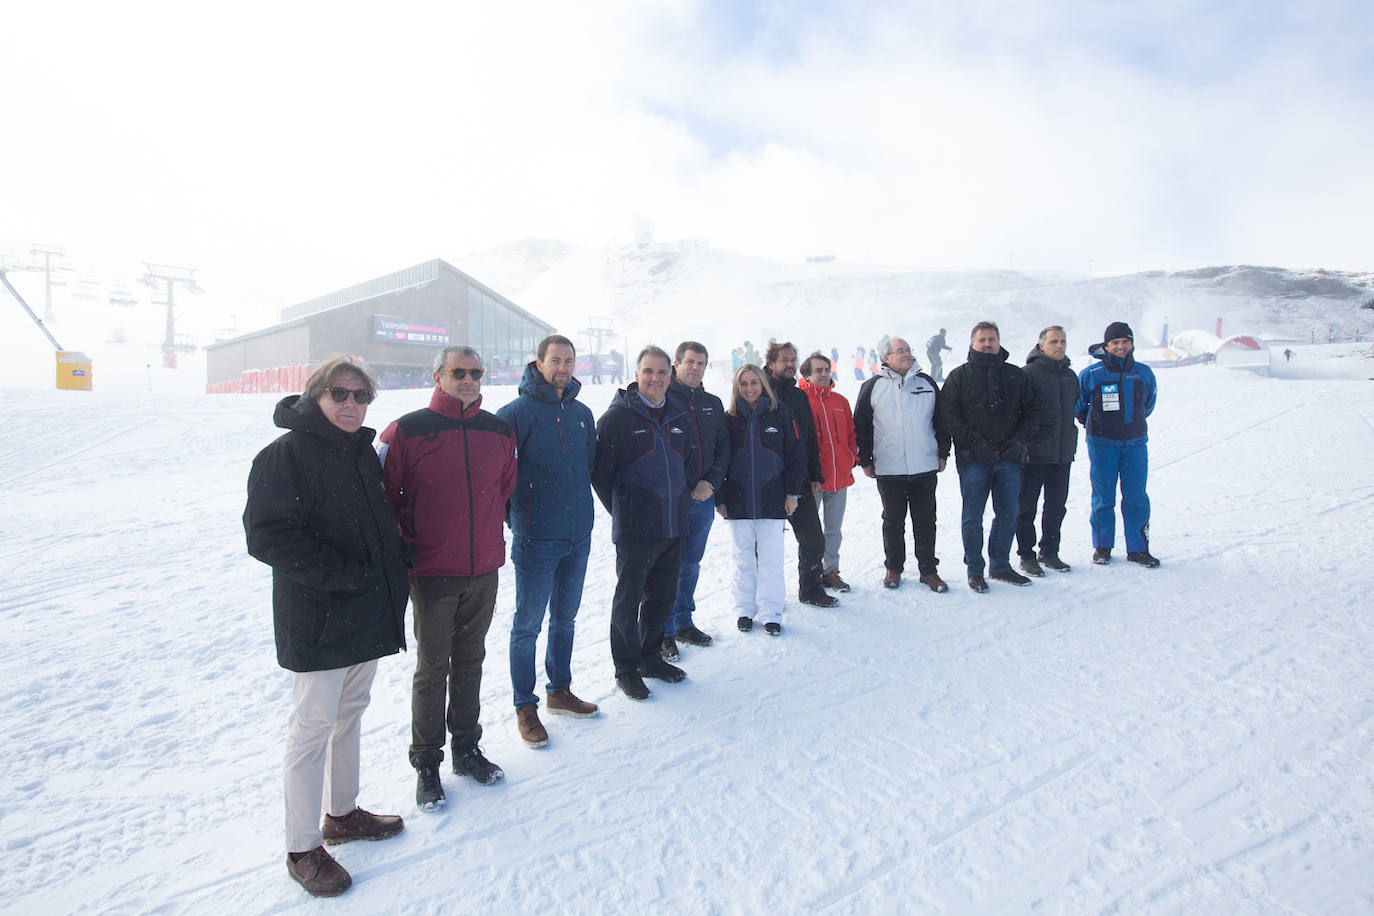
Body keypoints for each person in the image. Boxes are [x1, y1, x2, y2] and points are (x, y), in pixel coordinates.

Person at [244, 357, 408, 898]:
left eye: (361, 396)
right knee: (312, 728)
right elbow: (268, 536)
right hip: (318, 617)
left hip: (363, 611)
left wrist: (389, 574)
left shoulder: (360, 452)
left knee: (350, 716)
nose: (350, 404)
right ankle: (301, 845)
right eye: (339, 393)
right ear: (316, 395)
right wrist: (343, 577)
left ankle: (342, 814)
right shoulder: (285, 456)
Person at [380, 346, 516, 810]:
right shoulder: (407, 430)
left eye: (476, 372)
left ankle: (466, 748)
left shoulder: (497, 430)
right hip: (433, 572)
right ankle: (426, 762)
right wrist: (411, 545)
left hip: (484, 568)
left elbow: (503, 489)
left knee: (472, 659)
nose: (469, 379)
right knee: (433, 667)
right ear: (437, 376)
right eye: (458, 372)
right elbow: (387, 496)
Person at [497, 335, 601, 750]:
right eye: (555, 361)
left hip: (578, 535)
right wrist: (520, 519)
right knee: (527, 625)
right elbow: (500, 477)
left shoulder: (581, 413)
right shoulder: (515, 414)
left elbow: (589, 465)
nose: (563, 368)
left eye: (569, 361)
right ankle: (526, 705)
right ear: (538, 364)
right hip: (537, 538)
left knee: (566, 619)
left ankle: (560, 689)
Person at [592, 346, 697, 701]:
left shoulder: (679, 414)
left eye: (662, 372)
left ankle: (650, 657)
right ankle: (626, 667)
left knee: (662, 596)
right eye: (648, 371)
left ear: (671, 374)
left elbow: (688, 465)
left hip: (673, 524)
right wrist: (626, 510)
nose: (656, 379)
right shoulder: (616, 419)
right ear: (636, 374)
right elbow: (601, 476)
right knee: (629, 599)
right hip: (636, 529)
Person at [938, 321, 1036, 592]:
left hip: (1009, 458)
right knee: (972, 516)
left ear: (999, 342)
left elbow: (1032, 413)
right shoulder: (959, 377)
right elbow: (948, 416)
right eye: (982, 340)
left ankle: (1000, 565)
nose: (987, 344)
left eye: (992, 339)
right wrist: (973, 442)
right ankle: (975, 569)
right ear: (972, 344)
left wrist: (1017, 442)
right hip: (974, 459)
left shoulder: (1016, 376)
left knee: (1008, 513)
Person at [854, 337, 950, 592]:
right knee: (893, 521)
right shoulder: (873, 387)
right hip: (889, 468)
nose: (906, 354)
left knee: (926, 521)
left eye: (908, 350)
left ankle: (929, 571)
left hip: (924, 466)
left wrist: (942, 453)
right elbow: (861, 426)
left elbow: (941, 421)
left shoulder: (926, 383)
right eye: (900, 351)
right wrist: (864, 459)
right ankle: (893, 568)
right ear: (886, 358)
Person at [718, 365, 807, 636]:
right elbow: (719, 460)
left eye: (754, 382)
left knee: (771, 559)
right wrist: (720, 498)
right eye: (743, 383)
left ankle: (771, 611)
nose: (749, 388)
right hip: (738, 500)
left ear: (763, 384)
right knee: (742, 558)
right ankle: (744, 609)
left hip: (773, 499)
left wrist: (792, 493)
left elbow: (796, 456)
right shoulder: (728, 418)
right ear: (736, 387)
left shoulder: (780, 414)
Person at [661, 341, 730, 662]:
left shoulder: (712, 404)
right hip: (671, 501)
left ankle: (684, 621)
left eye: (701, 363)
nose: (695, 368)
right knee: (666, 567)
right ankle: (662, 631)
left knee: (690, 564)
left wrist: (711, 483)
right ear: (677, 364)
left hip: (702, 499)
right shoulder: (662, 399)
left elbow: (722, 449)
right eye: (689, 362)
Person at [1075, 321, 1160, 567]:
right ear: (1107, 345)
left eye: (1125, 342)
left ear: (1132, 344)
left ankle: (1138, 549)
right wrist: (1097, 424)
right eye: (1115, 343)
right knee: (1103, 497)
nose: (1120, 347)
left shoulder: (1143, 373)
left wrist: (1131, 423)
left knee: (1136, 497)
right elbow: (1080, 406)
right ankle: (1102, 546)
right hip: (1102, 445)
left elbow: (1149, 404)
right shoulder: (1092, 374)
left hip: (1134, 444)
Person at [764, 341, 839, 607]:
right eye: (784, 359)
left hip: (799, 479)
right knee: (766, 546)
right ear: (771, 363)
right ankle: (765, 599)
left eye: (793, 359)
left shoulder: (798, 396)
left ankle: (810, 589)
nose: (790, 364)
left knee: (813, 540)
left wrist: (815, 473)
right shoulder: (758, 391)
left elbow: (809, 437)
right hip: (767, 481)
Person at [1015, 326, 1079, 575]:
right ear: (1041, 346)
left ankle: (1050, 552)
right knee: (1026, 506)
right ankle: (1026, 555)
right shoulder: (1028, 374)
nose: (1059, 346)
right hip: (1033, 453)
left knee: (1056, 505)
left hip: (1062, 453)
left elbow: (1075, 407)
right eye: (1054, 341)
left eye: (1063, 341)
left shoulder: (1070, 376)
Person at [797, 352, 858, 592]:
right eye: (818, 371)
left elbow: (851, 434)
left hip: (839, 476)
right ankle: (810, 574)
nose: (823, 374)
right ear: (807, 374)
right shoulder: (800, 400)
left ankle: (831, 571)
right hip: (813, 480)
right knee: (810, 533)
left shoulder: (840, 401)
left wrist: (851, 457)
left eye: (826, 370)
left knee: (834, 529)